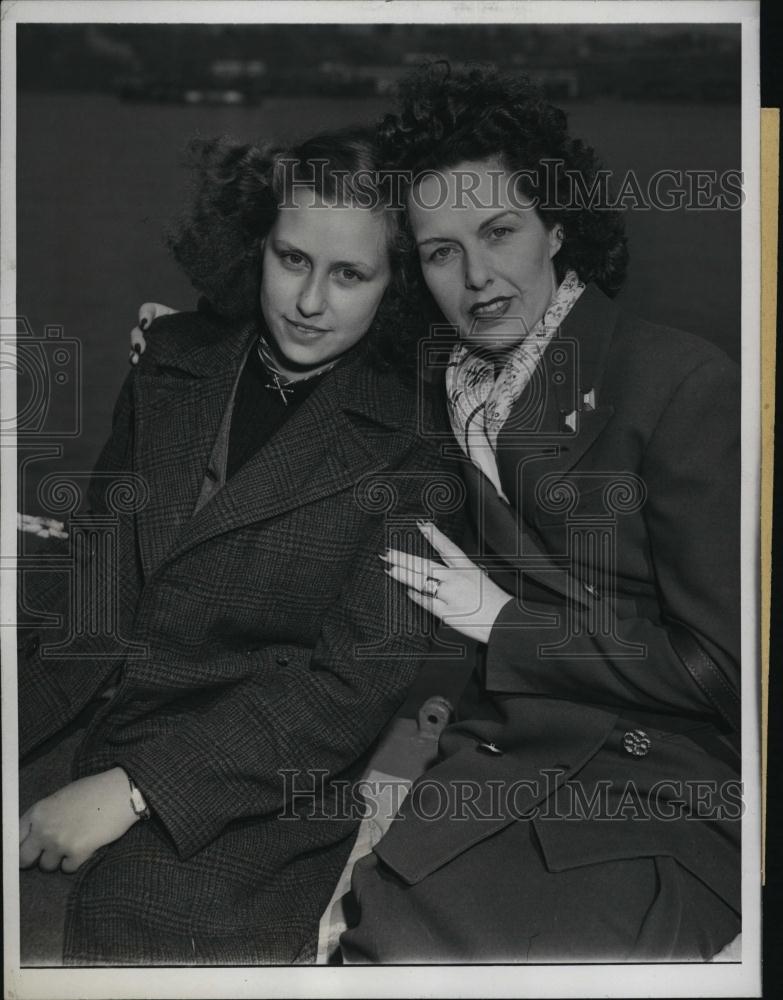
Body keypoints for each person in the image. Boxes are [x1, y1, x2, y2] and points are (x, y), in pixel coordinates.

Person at [17, 126, 460, 965]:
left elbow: (347, 691)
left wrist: (138, 791)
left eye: (350, 275)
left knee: (126, 949)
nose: (309, 302)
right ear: (255, 243)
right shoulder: (174, 357)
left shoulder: (422, 442)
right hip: (68, 713)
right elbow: (92, 585)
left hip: (242, 785)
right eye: (291, 260)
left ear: (397, 287)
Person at [336, 65, 742, 963]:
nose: (477, 277)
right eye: (441, 252)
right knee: (376, 954)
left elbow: (723, 670)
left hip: (653, 790)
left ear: (558, 229)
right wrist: (198, 341)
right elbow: (320, 338)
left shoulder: (676, 381)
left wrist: (505, 624)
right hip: (499, 766)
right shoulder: (453, 383)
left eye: (500, 231)